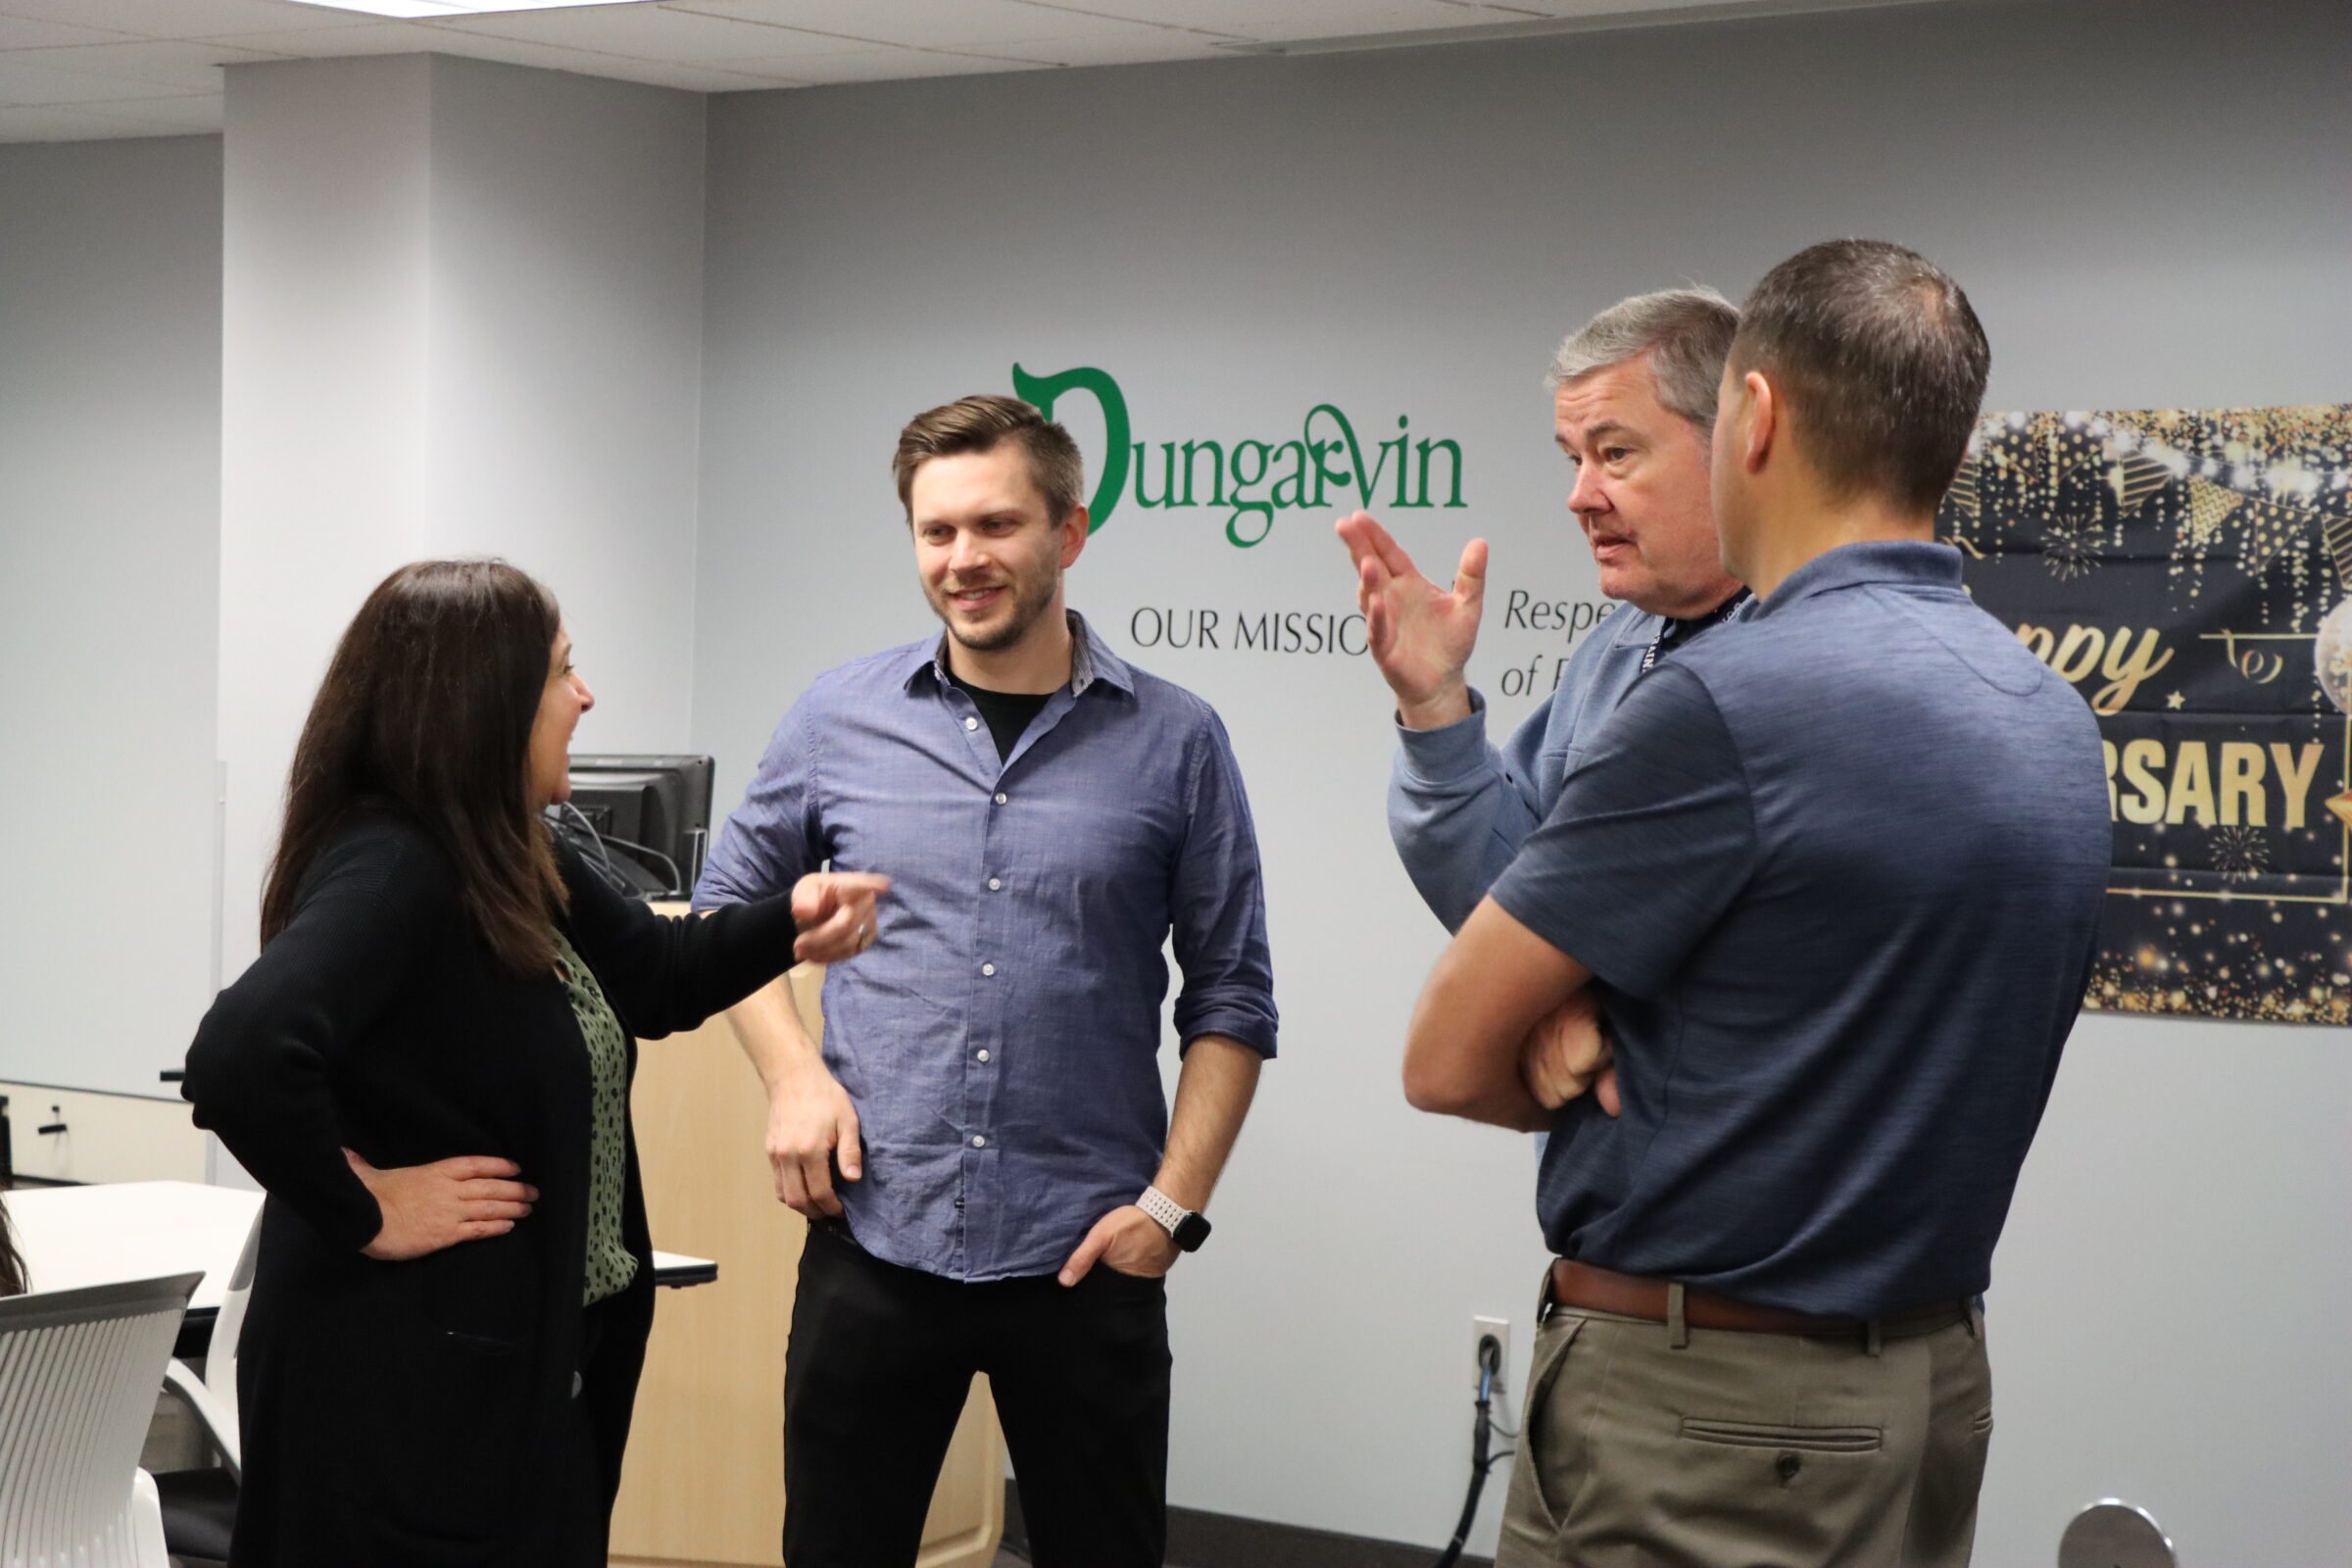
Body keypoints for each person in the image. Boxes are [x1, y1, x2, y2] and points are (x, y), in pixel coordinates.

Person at [1400, 240, 2111, 1567]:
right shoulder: (2050, 717)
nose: (1587, 491)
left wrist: (1552, 1046)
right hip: (1929, 1388)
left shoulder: (1726, 705)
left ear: (1757, 416)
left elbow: (1442, 1058)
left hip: (1706, 1416)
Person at [181, 560, 887, 1568]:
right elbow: (240, 1053)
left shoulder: (509, 850)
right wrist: (368, 1208)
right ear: (482, 703)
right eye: (561, 671)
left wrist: (792, 919)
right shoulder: (397, 863)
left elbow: (657, 977)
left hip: (521, 1375)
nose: (586, 695)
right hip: (406, 1400)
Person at [694, 394, 1277, 1568]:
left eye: (996, 524)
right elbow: (722, 913)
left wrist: (1170, 1210)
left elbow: (1231, 994)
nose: (963, 558)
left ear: (1070, 530)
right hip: (875, 1233)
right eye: (937, 530)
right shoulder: (839, 717)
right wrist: (794, 1074)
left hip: (1087, 1253)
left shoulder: (1177, 740)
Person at [1338, 287, 1746, 938]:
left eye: (1615, 454)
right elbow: (1512, 898)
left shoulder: (1819, 648)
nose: (1580, 497)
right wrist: (1436, 706)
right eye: (1574, 459)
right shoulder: (1612, 650)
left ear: (1735, 445)